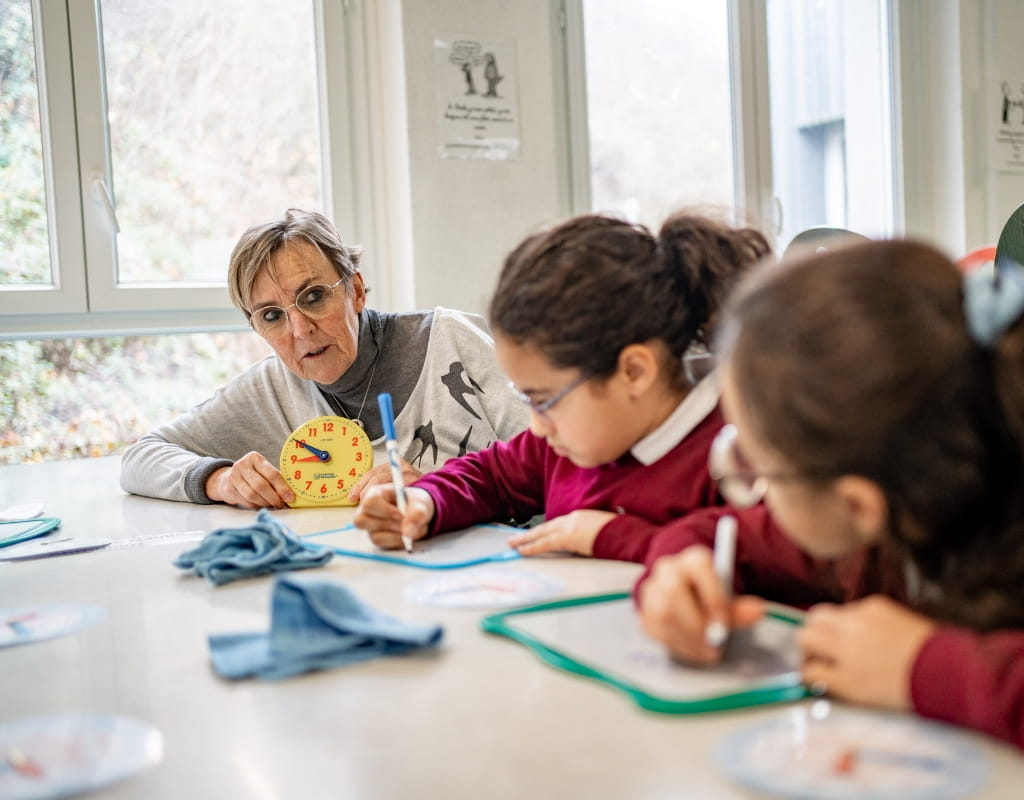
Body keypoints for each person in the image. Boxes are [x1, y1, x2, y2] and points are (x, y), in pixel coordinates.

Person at [636, 239, 1024, 750]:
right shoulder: (890, 510)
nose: (755, 492)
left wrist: (922, 668)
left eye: (759, 468)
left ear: (858, 505)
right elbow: (718, 533)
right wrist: (677, 572)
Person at [354, 211, 772, 560]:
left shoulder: (743, 455)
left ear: (634, 373)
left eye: (544, 400)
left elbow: (762, 564)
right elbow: (493, 476)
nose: (536, 427)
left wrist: (611, 535)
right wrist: (426, 502)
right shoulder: (564, 443)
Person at [120, 209, 528, 508]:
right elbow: (141, 458)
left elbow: (561, 460)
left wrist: (440, 488)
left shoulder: (452, 341)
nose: (300, 330)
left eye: (313, 296)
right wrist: (220, 480)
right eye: (272, 316)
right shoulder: (272, 388)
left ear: (357, 290)